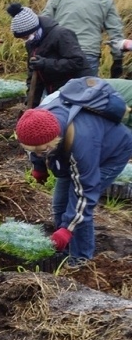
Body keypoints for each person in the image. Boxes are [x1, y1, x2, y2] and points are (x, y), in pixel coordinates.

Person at [15, 85, 132, 266]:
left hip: (111, 154)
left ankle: (81, 260)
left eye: (44, 150)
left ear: (56, 137)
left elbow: (85, 192)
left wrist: (68, 228)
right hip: (69, 151)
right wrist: (39, 167)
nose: (38, 153)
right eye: (33, 150)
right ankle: (67, 250)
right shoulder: (35, 123)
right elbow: (35, 146)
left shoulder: (82, 143)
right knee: (60, 204)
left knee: (77, 205)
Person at [44, 0, 126, 76]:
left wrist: (42, 52)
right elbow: (116, 32)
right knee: (87, 90)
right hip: (88, 53)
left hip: (60, 52)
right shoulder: (106, 0)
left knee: (57, 90)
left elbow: (45, 23)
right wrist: (118, 60)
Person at [7, 3, 88, 106]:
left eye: (26, 36)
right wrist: (32, 102)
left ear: (34, 29)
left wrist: (45, 64)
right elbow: (33, 73)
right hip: (54, 91)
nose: (25, 40)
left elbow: (77, 61)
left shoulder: (61, 34)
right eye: (23, 38)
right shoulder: (31, 43)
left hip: (75, 90)